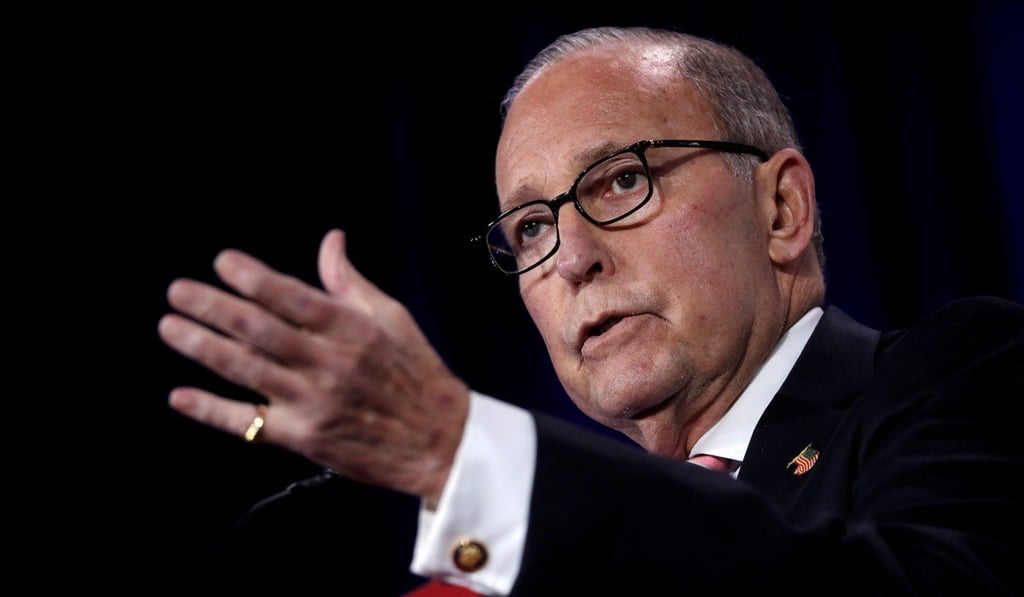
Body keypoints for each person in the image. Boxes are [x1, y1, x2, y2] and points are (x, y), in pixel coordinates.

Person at [158, 25, 1024, 595]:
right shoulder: (507, 559)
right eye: (531, 227)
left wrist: (457, 452)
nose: (571, 256)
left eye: (621, 179)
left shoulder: (968, 371)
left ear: (781, 210)